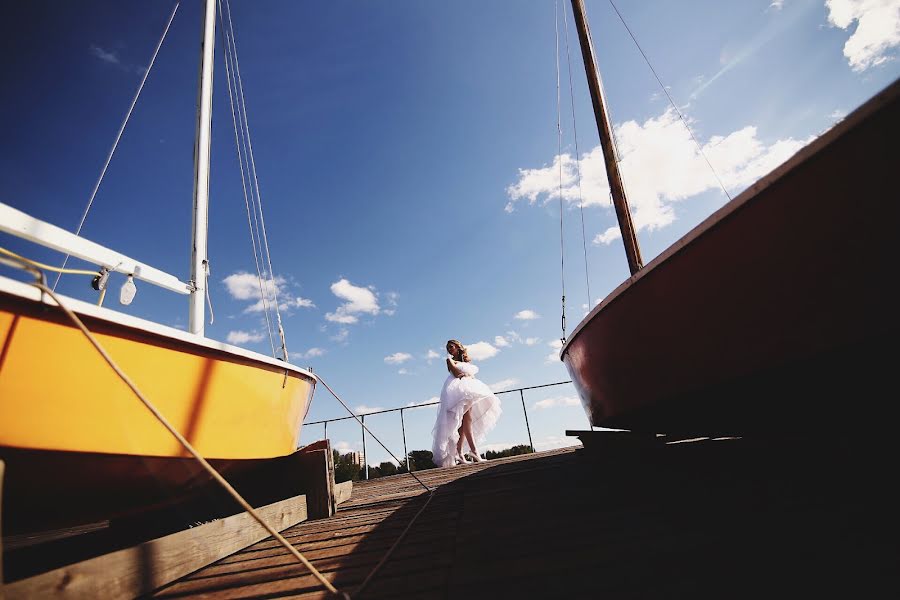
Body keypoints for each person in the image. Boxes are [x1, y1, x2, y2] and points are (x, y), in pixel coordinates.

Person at [431, 339, 502, 467]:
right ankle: (473, 452)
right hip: (457, 391)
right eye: (448, 347)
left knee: (466, 421)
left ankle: (460, 453)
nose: (449, 349)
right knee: (464, 421)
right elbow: (456, 373)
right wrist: (466, 375)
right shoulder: (449, 360)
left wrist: (468, 376)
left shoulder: (466, 362)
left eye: (451, 346)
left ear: (458, 347)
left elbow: (468, 374)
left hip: (467, 389)